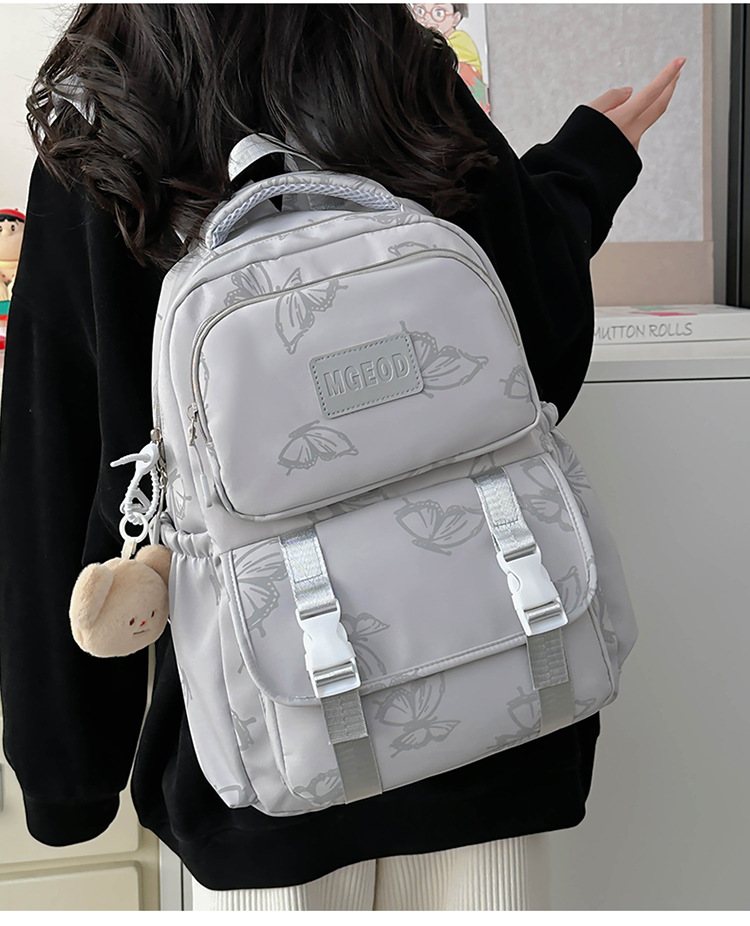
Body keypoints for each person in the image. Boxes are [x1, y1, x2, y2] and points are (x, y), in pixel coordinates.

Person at [0, 4, 682, 912]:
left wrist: (67, 779)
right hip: (499, 707)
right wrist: (584, 166)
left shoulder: (110, 111)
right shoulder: (392, 66)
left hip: (266, 747)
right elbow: (537, 349)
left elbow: (60, 464)